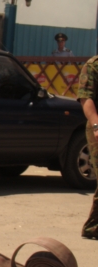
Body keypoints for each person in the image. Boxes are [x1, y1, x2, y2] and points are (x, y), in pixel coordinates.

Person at [78, 55, 98, 240]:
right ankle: (93, 227)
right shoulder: (93, 66)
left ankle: (94, 227)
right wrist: (96, 124)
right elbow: (86, 99)